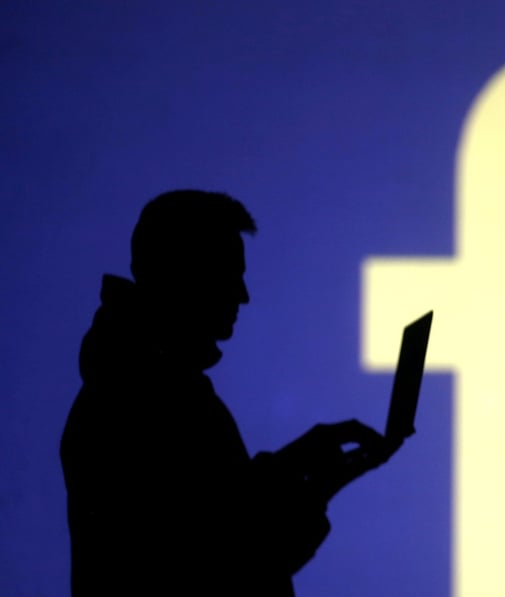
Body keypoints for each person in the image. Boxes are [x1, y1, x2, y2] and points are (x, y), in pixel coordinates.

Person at [60, 190, 399, 596]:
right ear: (184, 274)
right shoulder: (145, 399)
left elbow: (220, 515)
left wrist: (301, 469)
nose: (243, 295)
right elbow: (221, 560)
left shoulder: (148, 386)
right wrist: (311, 485)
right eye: (229, 274)